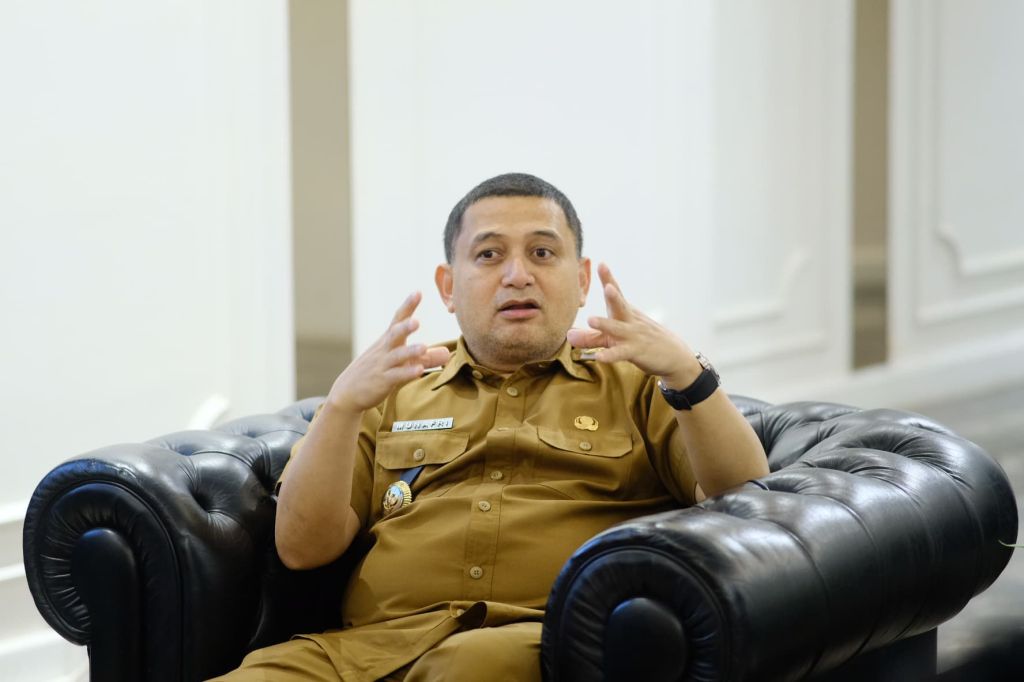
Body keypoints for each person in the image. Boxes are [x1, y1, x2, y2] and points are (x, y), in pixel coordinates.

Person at [213, 172, 769, 681]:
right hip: (368, 650)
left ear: (581, 281)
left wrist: (688, 373)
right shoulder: (391, 390)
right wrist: (340, 408)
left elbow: (745, 495)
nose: (517, 275)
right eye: (489, 254)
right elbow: (302, 549)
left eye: (542, 252)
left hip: (539, 644)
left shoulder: (639, 382)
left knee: (467, 666)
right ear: (448, 287)